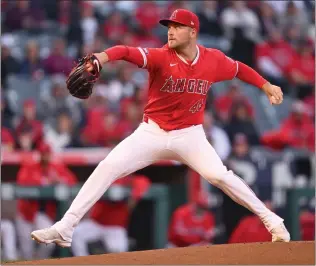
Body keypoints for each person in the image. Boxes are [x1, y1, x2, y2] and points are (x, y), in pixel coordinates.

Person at [31, 9, 290, 248]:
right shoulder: (160, 56)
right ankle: (65, 228)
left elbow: (239, 69)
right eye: (169, 26)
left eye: (177, 27)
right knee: (108, 167)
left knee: (219, 176)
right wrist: (101, 57)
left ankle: (273, 222)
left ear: (192, 32)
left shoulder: (212, 59)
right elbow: (125, 51)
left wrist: (266, 85)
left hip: (190, 135)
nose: (170, 31)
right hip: (151, 133)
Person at [16, 143, 77, 259]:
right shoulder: (30, 166)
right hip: (25, 214)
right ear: (39, 154)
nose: (45, 156)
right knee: (26, 251)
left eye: (47, 154)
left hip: (40, 214)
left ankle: (39, 262)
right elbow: (22, 182)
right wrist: (44, 181)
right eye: (43, 154)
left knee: (49, 241)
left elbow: (72, 181)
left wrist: (59, 180)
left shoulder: (55, 167)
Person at [71, 175, 151, 256]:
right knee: (76, 233)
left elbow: (142, 182)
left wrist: (134, 196)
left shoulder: (129, 180)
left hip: (115, 228)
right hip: (97, 224)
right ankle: (82, 261)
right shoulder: (104, 176)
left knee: (120, 255)